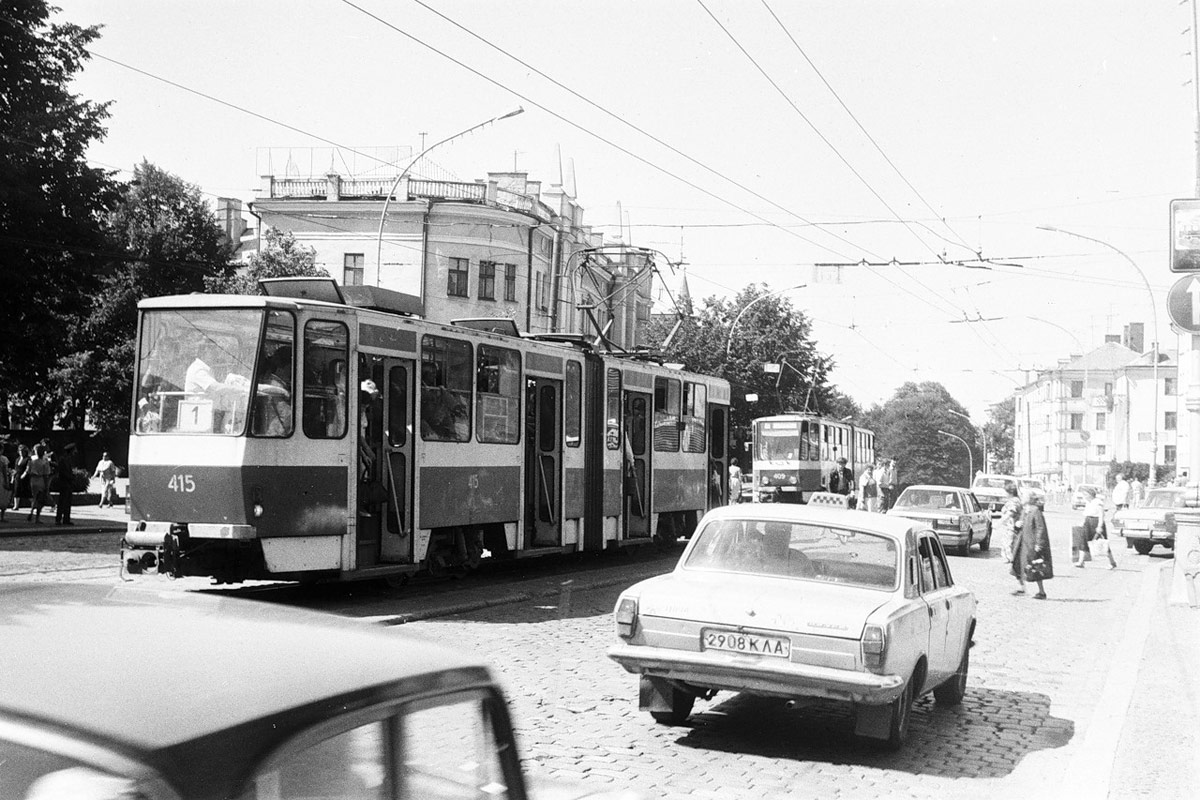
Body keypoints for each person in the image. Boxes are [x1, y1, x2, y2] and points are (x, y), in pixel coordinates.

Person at [1012, 490, 1053, 599]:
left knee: (1035, 566)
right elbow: (1020, 525)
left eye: (1023, 496)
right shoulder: (1025, 510)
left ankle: (1042, 591)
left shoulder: (1036, 511)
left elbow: (1040, 528)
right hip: (1022, 542)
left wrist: (1039, 543)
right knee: (1018, 564)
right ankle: (1021, 587)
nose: (1021, 498)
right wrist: (1017, 525)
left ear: (1029, 499)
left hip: (1031, 543)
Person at [1076, 486, 1116, 569]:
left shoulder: (1098, 502)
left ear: (1090, 494)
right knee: (1083, 541)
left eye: (1085, 494)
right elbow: (1087, 514)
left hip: (1096, 522)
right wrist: (1083, 523)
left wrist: (1099, 526)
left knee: (1102, 543)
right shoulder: (1088, 503)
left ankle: (1112, 562)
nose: (1084, 496)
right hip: (1088, 522)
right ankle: (1081, 561)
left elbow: (1101, 515)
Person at [23, 444, 51, 524]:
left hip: (33, 480)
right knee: (40, 499)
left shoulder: (31, 461)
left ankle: (31, 511)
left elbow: (28, 471)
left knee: (34, 497)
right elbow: (46, 475)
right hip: (41, 479)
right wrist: (47, 486)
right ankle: (37, 517)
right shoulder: (45, 462)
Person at [54, 443, 77, 526]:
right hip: (64, 483)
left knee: (68, 502)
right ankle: (58, 519)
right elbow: (62, 471)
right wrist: (70, 477)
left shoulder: (69, 459)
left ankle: (66, 519)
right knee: (62, 502)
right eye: (74, 450)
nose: (75, 452)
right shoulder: (63, 459)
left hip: (68, 483)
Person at [998, 483, 1022, 563]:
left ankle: (1010, 558)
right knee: (1007, 543)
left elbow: (1010, 513)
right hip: (1010, 526)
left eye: (1006, 492)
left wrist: (999, 523)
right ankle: (1009, 558)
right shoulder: (1015, 500)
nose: (1005, 494)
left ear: (1010, 493)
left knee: (1009, 543)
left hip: (1011, 527)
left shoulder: (1014, 501)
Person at [10, 443, 30, 511]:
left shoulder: (28, 459)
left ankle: (34, 506)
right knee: (16, 491)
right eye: (20, 451)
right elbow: (15, 469)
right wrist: (12, 477)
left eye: (23, 451)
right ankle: (16, 506)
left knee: (27, 493)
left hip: (25, 478)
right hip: (17, 477)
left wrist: (24, 474)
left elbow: (28, 468)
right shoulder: (17, 459)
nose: (21, 452)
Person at [0, 443, 12, 522]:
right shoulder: (3, 459)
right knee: (3, 497)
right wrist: (7, 481)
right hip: (1, 478)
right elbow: (5, 471)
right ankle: (2, 517)